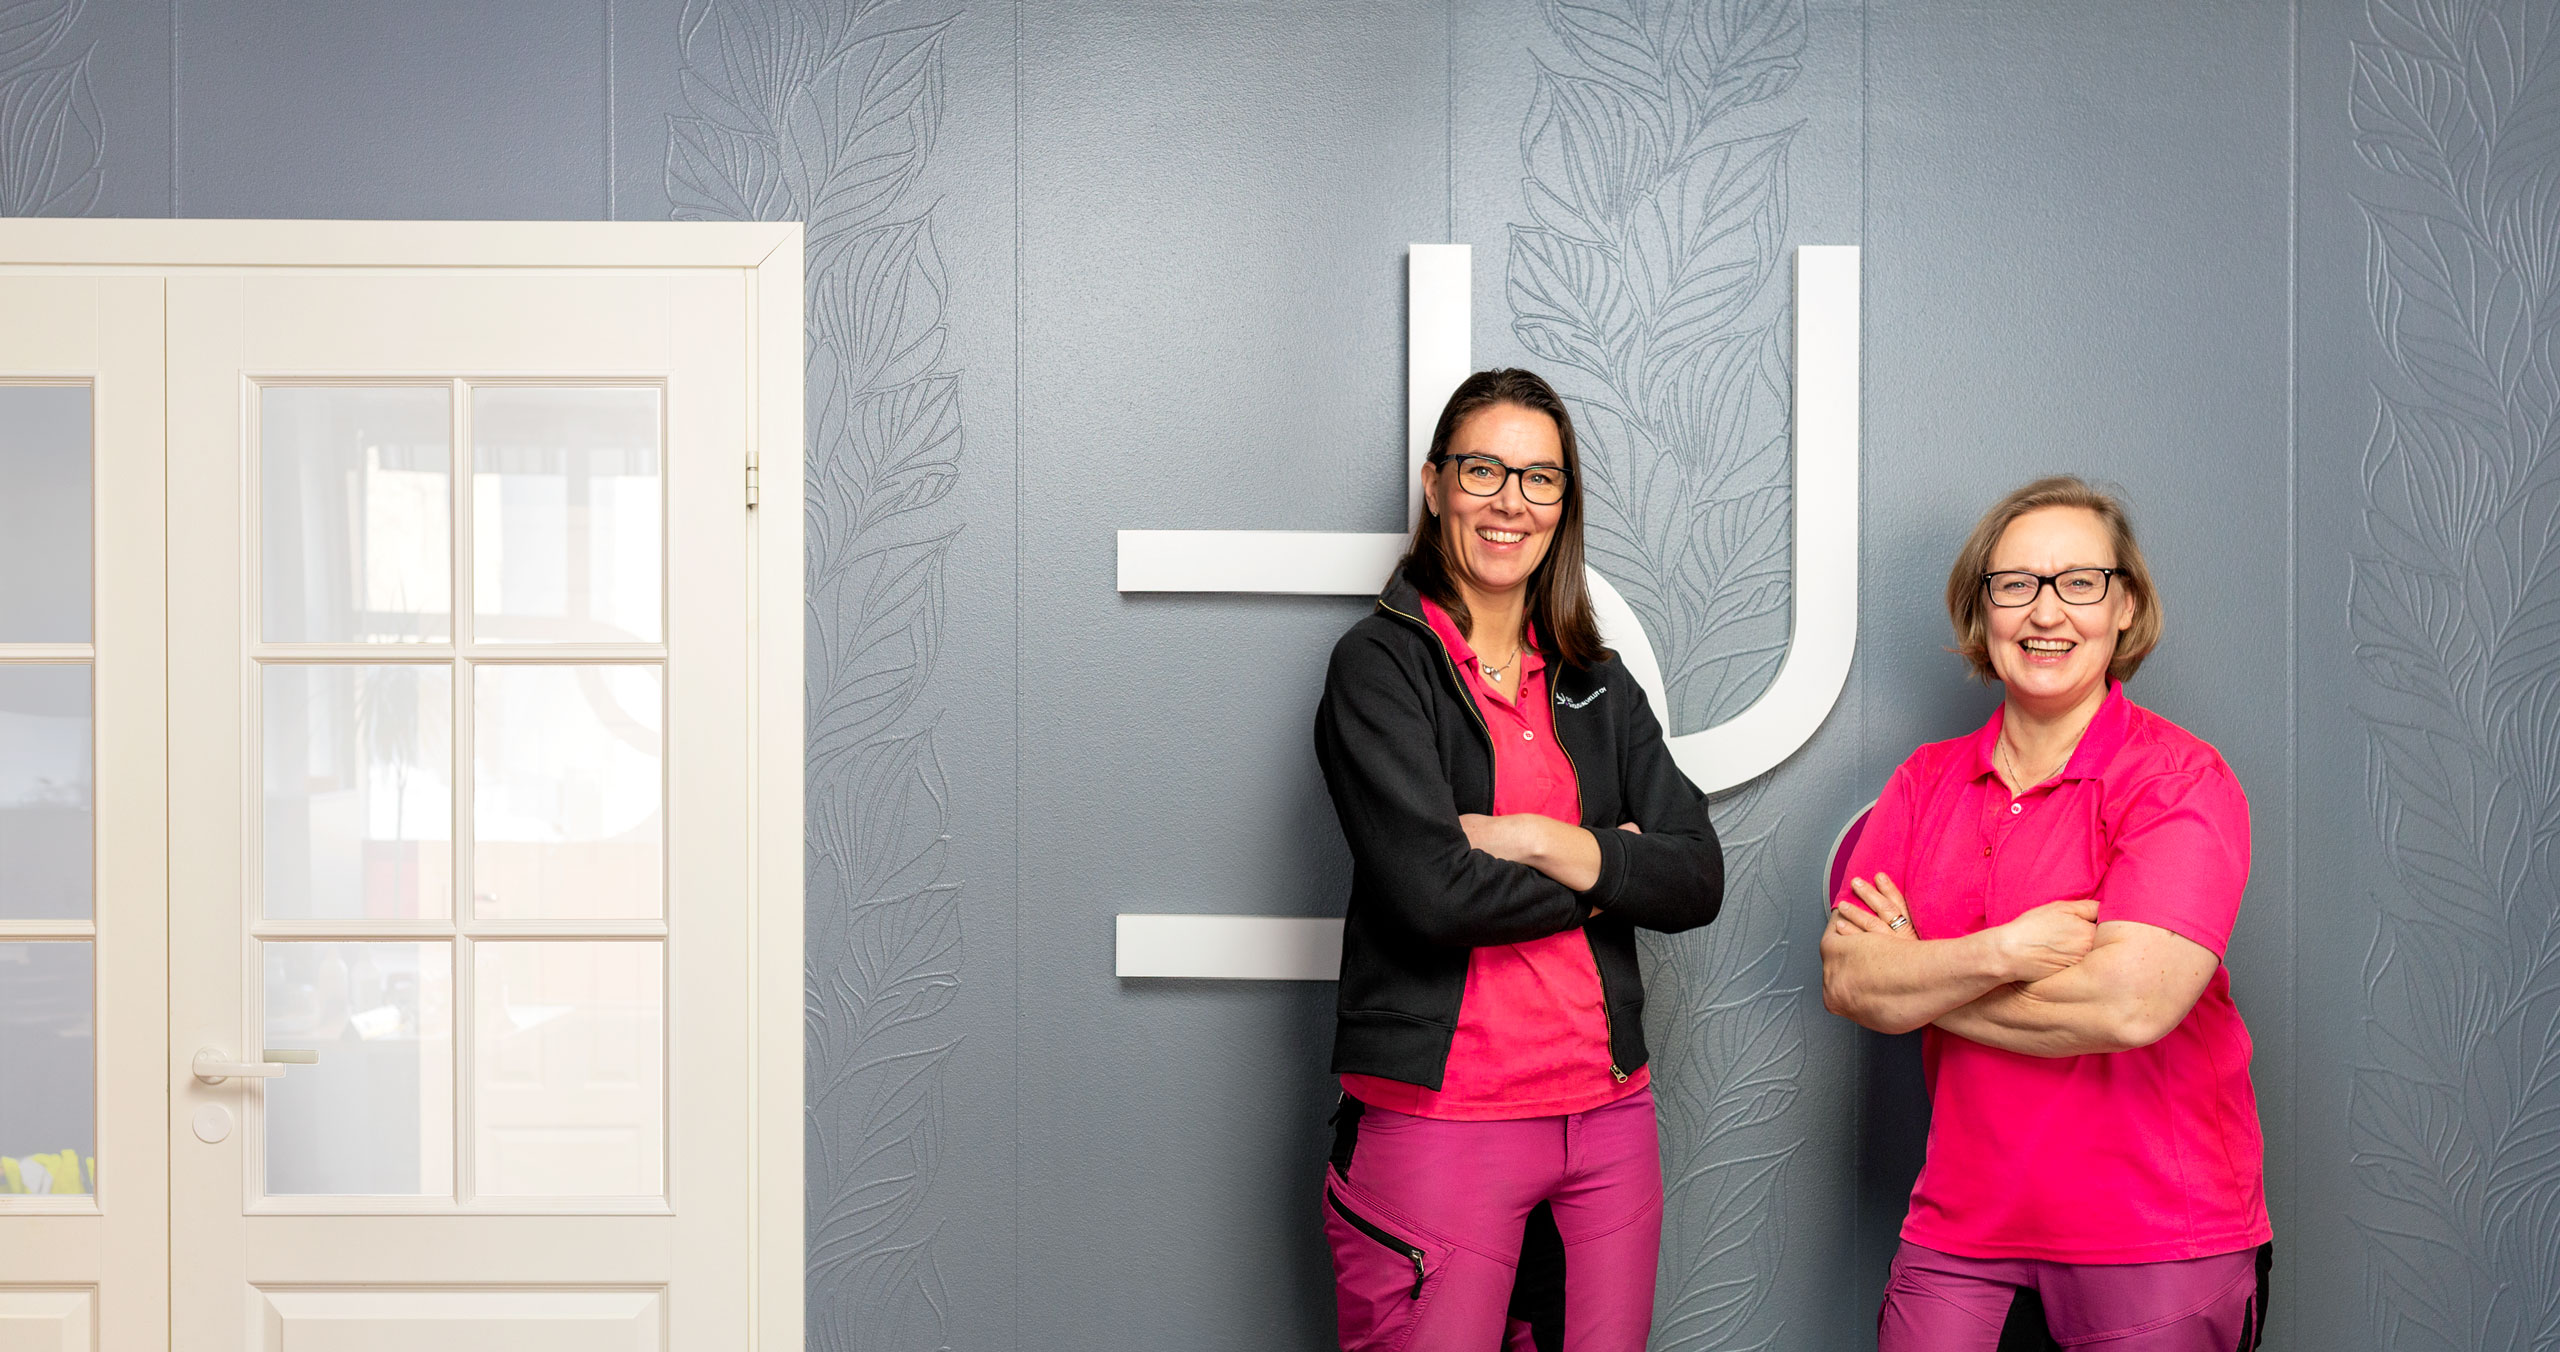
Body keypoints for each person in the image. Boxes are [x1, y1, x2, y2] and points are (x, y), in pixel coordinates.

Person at [1312, 367, 1725, 1351]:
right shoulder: (1379, 666)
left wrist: (1543, 840)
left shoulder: (1595, 682)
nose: (1510, 501)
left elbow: (1695, 872)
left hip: (1608, 1118)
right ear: (1434, 483)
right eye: (1483, 469)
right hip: (1438, 1120)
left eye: (1539, 478)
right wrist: (1607, 869)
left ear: (1563, 502)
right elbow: (1432, 893)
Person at [1822, 477, 2272, 1351]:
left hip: (2156, 1236)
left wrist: (1923, 970)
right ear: (1981, 610)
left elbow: (2126, 1005)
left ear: (2125, 605)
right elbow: (1850, 980)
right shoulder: (1922, 783)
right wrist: (2004, 950)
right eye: (2015, 584)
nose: (2046, 611)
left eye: (2080, 582)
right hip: (1961, 1230)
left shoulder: (2180, 782)